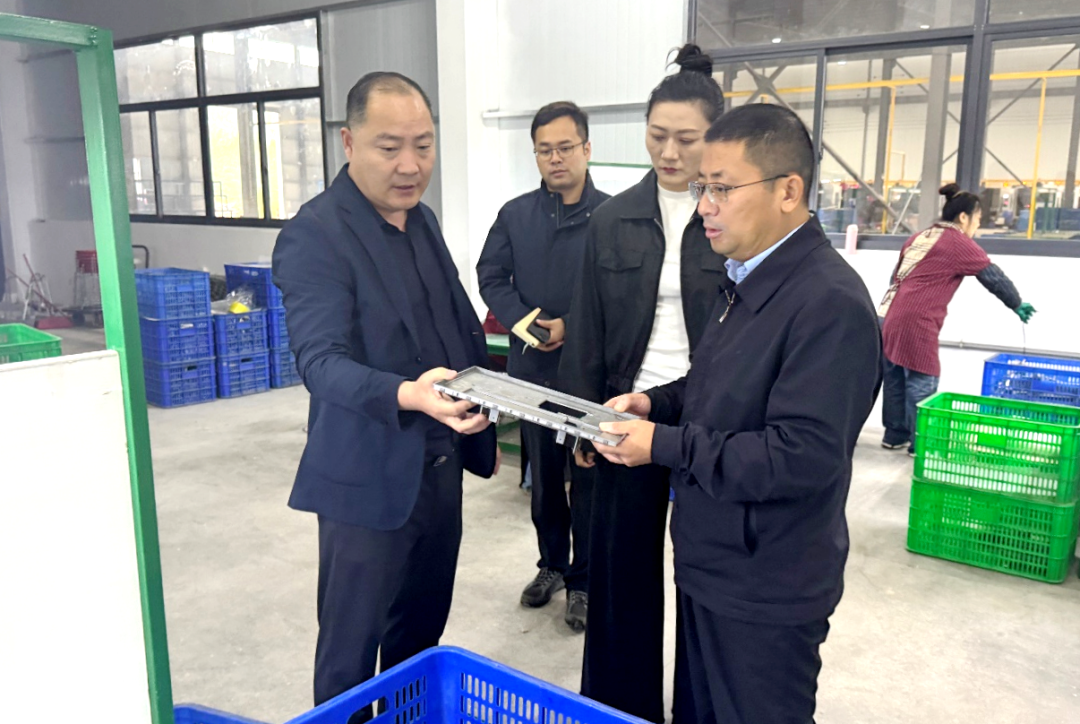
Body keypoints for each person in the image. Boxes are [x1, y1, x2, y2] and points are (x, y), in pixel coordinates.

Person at [594, 102, 882, 724]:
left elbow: (800, 457)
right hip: (713, 561)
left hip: (766, 583)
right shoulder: (747, 280)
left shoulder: (828, 304)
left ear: (788, 191)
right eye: (702, 187)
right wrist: (655, 403)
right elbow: (717, 384)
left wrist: (661, 444)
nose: (705, 206)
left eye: (722, 189)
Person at [271, 72, 498, 717]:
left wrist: (484, 399)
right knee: (350, 655)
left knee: (418, 639)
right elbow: (321, 364)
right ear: (348, 142)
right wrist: (409, 395)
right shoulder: (317, 233)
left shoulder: (421, 220)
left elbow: (450, 324)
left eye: (423, 146)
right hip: (365, 479)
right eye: (389, 146)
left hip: (439, 466)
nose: (410, 165)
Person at [558, 44, 727, 724]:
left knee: (706, 578)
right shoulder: (614, 218)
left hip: (709, 418)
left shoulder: (730, 219)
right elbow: (588, 327)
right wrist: (580, 424)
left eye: (687, 139)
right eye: (657, 136)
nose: (669, 152)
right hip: (627, 414)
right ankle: (618, 709)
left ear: (716, 136)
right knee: (620, 576)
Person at [477, 102, 609, 631]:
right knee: (545, 480)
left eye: (565, 147)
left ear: (587, 149)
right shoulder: (516, 215)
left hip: (590, 372)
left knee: (589, 481)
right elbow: (490, 275)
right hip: (532, 370)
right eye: (544, 150)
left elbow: (622, 293)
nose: (556, 158)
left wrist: (571, 326)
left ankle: (584, 582)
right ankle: (551, 564)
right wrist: (525, 321)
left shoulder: (612, 217)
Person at [878, 183, 1036, 454]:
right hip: (917, 319)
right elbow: (992, 276)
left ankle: (894, 435)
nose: (978, 224)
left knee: (895, 378)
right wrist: (1017, 303)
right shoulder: (958, 242)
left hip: (887, 313)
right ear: (963, 217)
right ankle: (922, 443)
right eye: (978, 218)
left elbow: (896, 276)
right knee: (922, 379)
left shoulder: (920, 236)